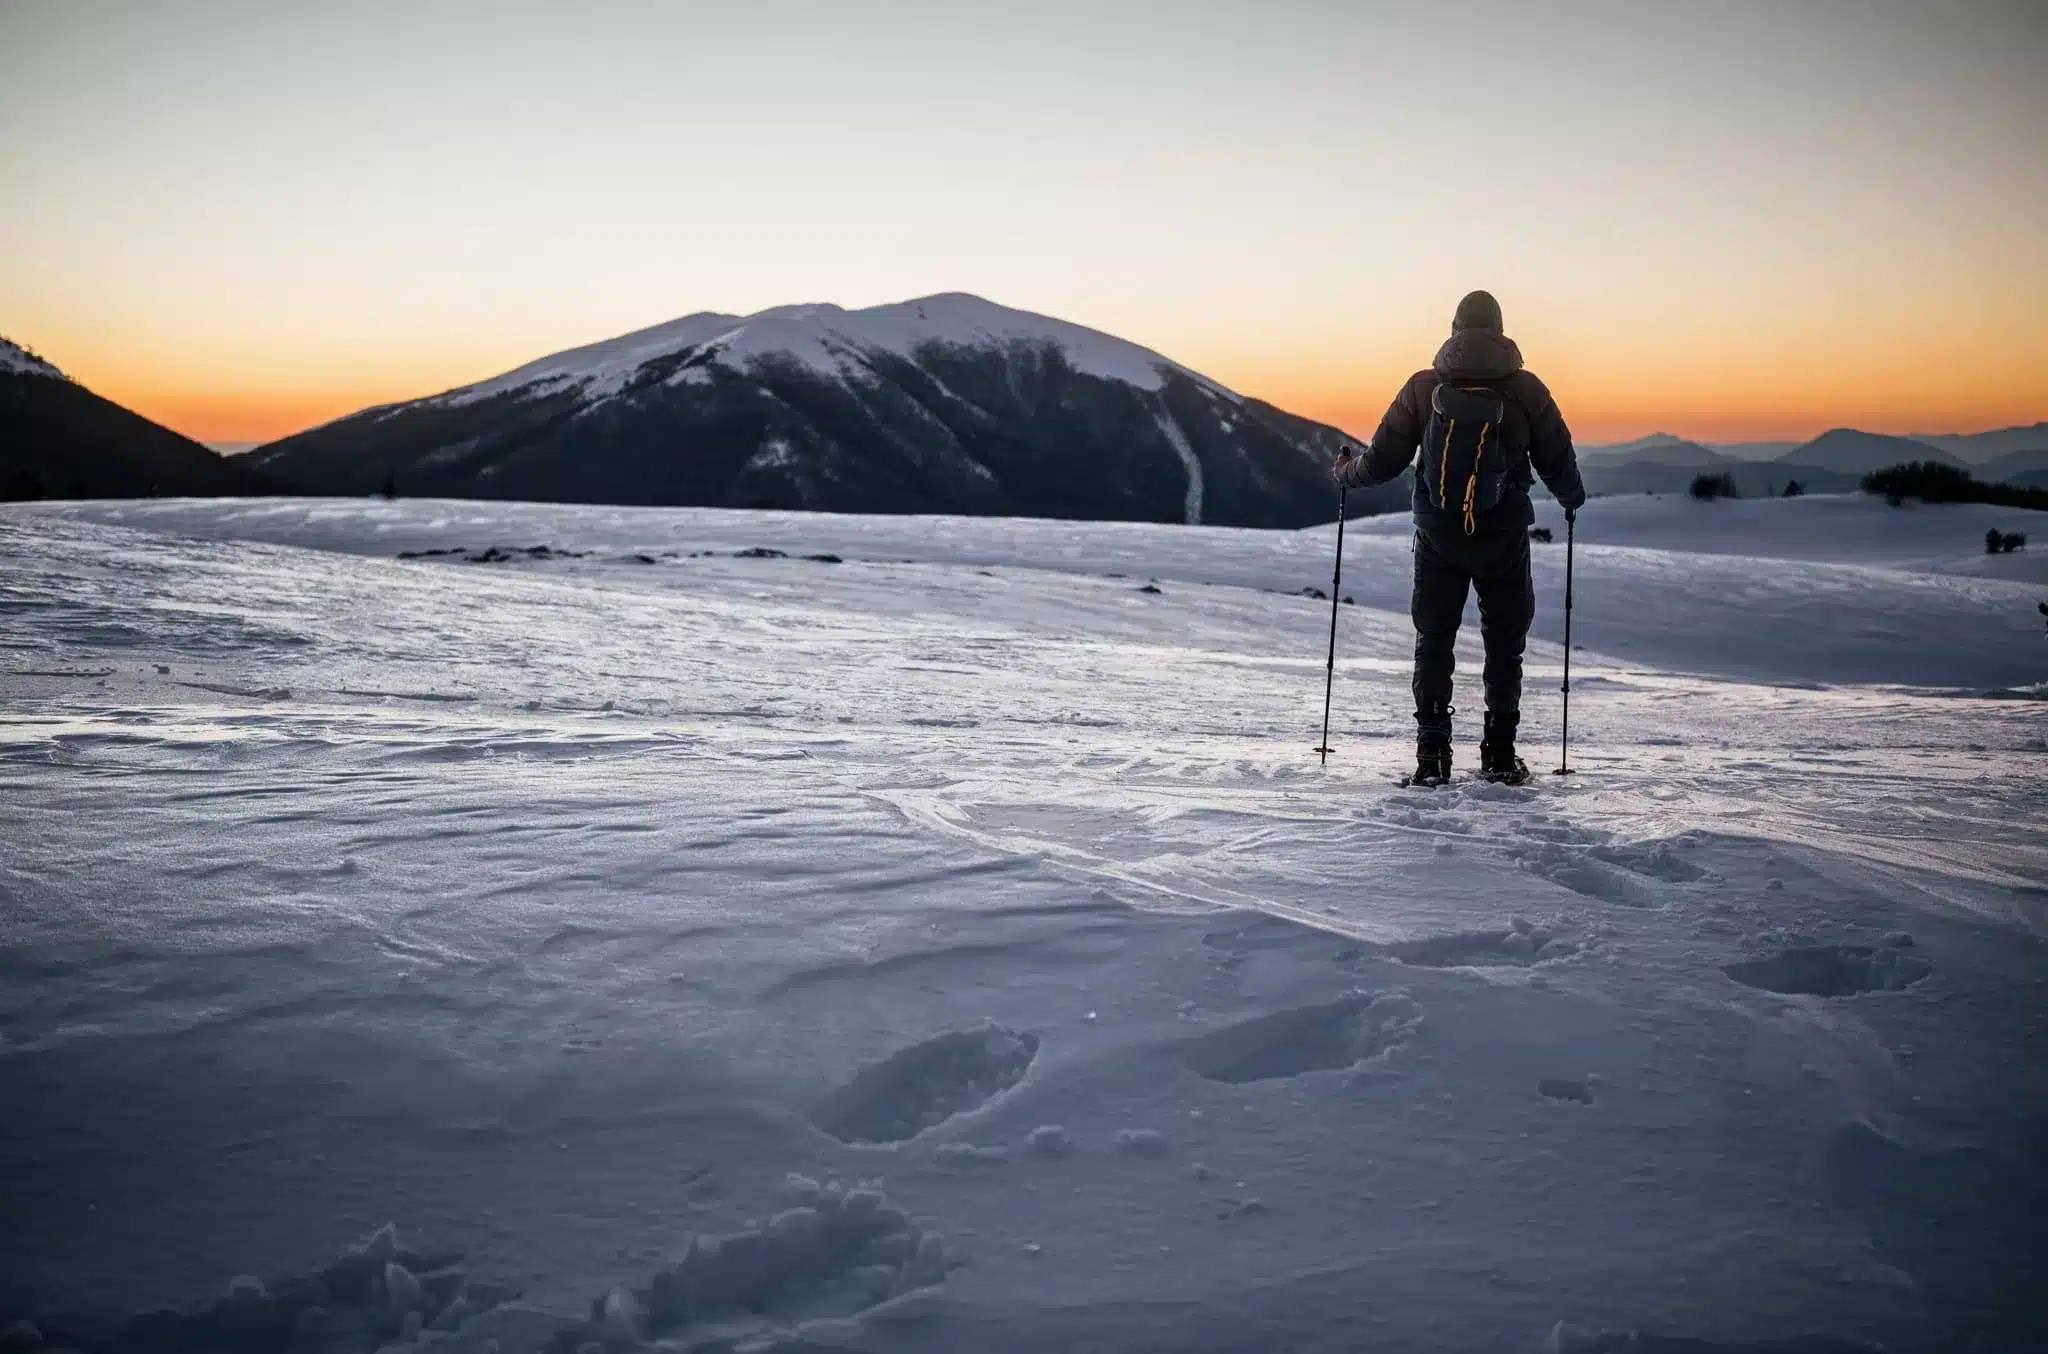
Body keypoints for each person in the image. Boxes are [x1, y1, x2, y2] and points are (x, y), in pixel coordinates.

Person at [1333, 290, 1586, 786]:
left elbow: (1382, 461)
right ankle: (1499, 755)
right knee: (1504, 643)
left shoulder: (1423, 387)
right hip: (1504, 535)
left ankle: (1432, 756)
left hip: (1438, 535)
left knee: (1434, 639)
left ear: (1453, 329)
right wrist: (1572, 498)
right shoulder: (1526, 389)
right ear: (1500, 331)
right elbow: (1557, 458)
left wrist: (1344, 472)